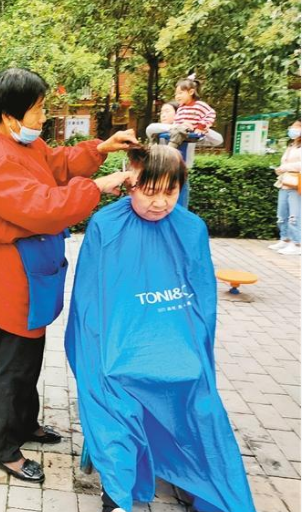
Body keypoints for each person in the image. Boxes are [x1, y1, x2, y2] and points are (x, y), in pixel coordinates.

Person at [0, 67, 138, 484]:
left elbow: (56, 163)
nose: (43, 117)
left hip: (28, 268)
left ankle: (25, 423)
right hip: (12, 275)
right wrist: (97, 187)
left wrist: (101, 147)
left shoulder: (18, 142)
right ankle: (5, 449)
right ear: (9, 116)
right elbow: (43, 206)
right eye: (38, 109)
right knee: (15, 365)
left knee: (28, 356)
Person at [66, 144, 256, 512]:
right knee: (112, 388)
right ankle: (116, 495)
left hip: (176, 345)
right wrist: (99, 354)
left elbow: (201, 302)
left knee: (198, 392)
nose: (160, 203)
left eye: (170, 192)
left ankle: (203, 480)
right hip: (116, 348)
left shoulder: (191, 229)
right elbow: (90, 303)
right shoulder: (106, 226)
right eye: (150, 191)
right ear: (132, 182)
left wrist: (196, 351)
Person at [268, 120, 301, 255]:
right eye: (291, 127)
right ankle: (285, 239)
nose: (292, 130)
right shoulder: (291, 145)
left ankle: (297, 243)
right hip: (284, 182)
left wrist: (284, 167)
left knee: (294, 215)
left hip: (296, 183)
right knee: (282, 214)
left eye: (296, 128)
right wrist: (280, 169)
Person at [167, 75, 219, 149]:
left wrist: (201, 126)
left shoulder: (199, 105)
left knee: (180, 130)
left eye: (180, 93)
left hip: (190, 133)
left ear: (191, 92)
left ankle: (170, 149)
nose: (177, 96)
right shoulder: (180, 108)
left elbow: (211, 113)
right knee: (170, 131)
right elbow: (176, 121)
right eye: (176, 94)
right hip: (180, 132)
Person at [146, 99, 223, 147]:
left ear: (179, 113)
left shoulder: (189, 134)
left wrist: (201, 128)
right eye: (162, 112)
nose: (163, 115)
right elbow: (150, 129)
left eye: (167, 111)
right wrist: (179, 127)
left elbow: (218, 140)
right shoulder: (158, 131)